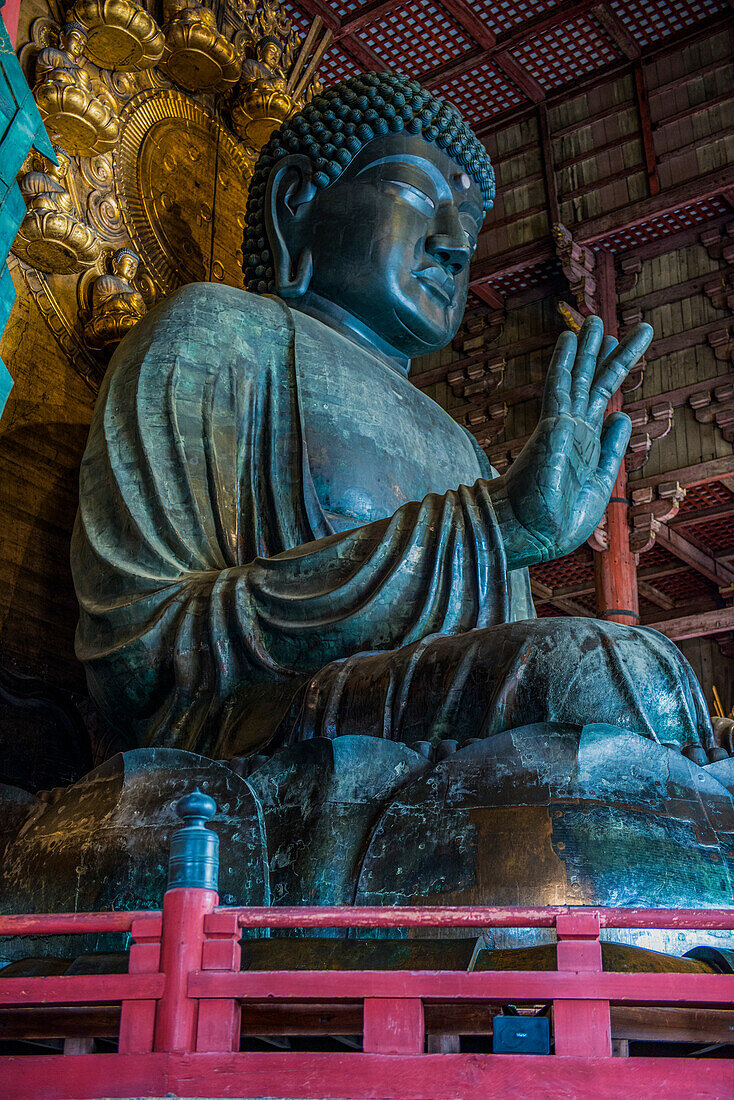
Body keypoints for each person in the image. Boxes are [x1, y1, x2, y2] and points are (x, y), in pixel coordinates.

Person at [71, 71, 717, 766]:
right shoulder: (217, 333)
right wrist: (495, 525)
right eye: (415, 195)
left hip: (415, 716)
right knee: (597, 678)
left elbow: (491, 661)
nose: (456, 246)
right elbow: (138, 650)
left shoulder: (462, 447)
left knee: (647, 688)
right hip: (259, 728)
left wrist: (506, 532)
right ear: (297, 202)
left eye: (468, 226)